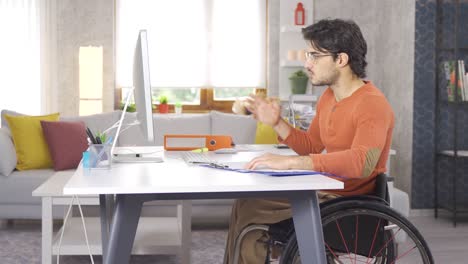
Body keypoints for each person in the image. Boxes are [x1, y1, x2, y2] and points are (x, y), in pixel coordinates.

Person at [224, 18, 395, 264]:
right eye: (307, 54)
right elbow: (312, 145)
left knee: (251, 209)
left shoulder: (372, 104)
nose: (307, 64)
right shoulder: (329, 97)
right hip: (324, 189)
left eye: (315, 56)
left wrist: (293, 163)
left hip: (345, 202)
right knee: (245, 202)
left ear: (341, 60)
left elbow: (362, 163)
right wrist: (276, 123)